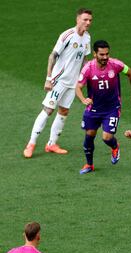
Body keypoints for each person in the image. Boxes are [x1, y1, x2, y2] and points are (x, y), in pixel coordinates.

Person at [23, 8, 93, 158]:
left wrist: (86, 77)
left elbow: (84, 60)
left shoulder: (87, 38)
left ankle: (51, 144)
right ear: (78, 19)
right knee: (48, 110)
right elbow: (52, 56)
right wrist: (49, 79)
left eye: (90, 20)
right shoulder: (67, 35)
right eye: (85, 19)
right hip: (59, 80)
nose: (88, 22)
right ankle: (31, 143)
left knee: (64, 111)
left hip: (72, 83)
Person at [76, 40, 131, 174]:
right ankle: (89, 164)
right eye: (101, 54)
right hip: (93, 109)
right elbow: (78, 87)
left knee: (106, 137)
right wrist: (83, 99)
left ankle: (115, 146)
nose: (105, 57)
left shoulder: (116, 64)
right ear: (94, 54)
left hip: (112, 108)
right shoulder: (88, 68)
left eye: (107, 54)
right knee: (89, 136)